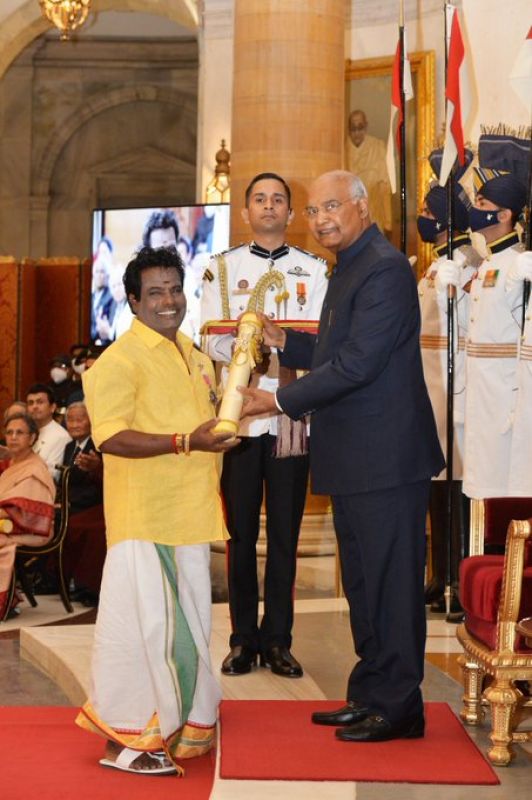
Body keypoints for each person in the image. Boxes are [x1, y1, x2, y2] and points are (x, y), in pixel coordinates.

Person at [239, 170, 444, 741]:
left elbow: (358, 365)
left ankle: (400, 706)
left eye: (331, 206)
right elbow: (337, 350)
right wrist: (288, 342)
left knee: (391, 585)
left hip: (386, 461)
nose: (321, 218)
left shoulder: (383, 267)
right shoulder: (350, 265)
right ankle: (373, 693)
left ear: (361, 206)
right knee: (362, 582)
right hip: (357, 459)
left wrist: (276, 399)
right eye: (313, 210)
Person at [76, 246, 238, 776]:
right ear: (131, 301)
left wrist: (222, 430)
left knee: (185, 629)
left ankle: (185, 726)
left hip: (188, 513)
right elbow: (111, 437)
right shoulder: (118, 361)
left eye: (174, 289)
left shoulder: (191, 352)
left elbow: (202, 426)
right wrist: (186, 441)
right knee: (143, 633)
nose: (168, 301)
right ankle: (126, 742)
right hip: (145, 519)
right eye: (155, 293)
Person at [200, 172, 328, 679]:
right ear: (246, 212)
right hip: (239, 421)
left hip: (291, 417)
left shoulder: (315, 271)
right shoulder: (221, 269)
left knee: (284, 535)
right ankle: (240, 640)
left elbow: (324, 346)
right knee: (239, 535)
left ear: (291, 214)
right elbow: (208, 336)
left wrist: (281, 345)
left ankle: (278, 639)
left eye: (278, 200)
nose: (269, 207)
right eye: (260, 200)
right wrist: (244, 345)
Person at [437, 131, 530, 501]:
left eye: (482, 202)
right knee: (482, 494)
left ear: (505, 214)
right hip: (479, 401)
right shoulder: (489, 263)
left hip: (507, 404)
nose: (474, 209)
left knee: (507, 496)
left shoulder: (517, 266)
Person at [416, 149, 482, 621]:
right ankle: (438, 574)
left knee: (459, 489)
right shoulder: (435, 265)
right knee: (437, 489)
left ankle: (461, 578)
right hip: (431, 393)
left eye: (425, 210)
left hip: (460, 396)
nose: (421, 217)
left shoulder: (469, 265)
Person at [0, 412, 55, 619]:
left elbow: (24, 510)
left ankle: (7, 603)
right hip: (8, 523)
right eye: (9, 432)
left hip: (30, 528)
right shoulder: (14, 464)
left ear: (32, 438)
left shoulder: (34, 468)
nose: (13, 437)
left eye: (19, 433)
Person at [60, 402, 104, 607]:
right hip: (70, 502)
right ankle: (56, 579)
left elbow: (98, 483)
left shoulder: (98, 446)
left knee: (77, 525)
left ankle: (86, 585)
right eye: (71, 420)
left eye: (80, 419)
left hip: (92, 503)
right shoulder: (69, 446)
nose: (75, 424)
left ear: (91, 421)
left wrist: (94, 468)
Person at [346, 109, 392, 235]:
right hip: (349, 221)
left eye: (360, 128)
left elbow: (385, 188)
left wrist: (388, 223)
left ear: (366, 127)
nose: (356, 133)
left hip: (374, 217)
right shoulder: (343, 149)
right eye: (353, 128)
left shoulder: (377, 147)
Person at [26, 384, 71, 480]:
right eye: (30, 403)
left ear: (52, 407)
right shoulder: (27, 433)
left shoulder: (60, 436)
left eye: (40, 402)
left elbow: (52, 475)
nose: (34, 406)